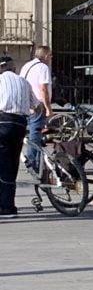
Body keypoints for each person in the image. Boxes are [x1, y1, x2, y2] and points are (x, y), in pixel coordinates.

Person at [0, 55, 38, 217]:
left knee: (2, 164)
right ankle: (9, 206)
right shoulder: (24, 81)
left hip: (3, 121)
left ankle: (4, 205)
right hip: (20, 124)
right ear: (13, 67)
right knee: (12, 164)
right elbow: (36, 105)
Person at [18, 45, 51, 172]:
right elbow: (43, 89)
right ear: (46, 56)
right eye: (50, 56)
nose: (50, 58)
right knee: (35, 134)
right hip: (37, 104)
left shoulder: (27, 66)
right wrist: (48, 108)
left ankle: (36, 161)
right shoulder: (43, 67)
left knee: (33, 132)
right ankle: (32, 161)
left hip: (27, 104)